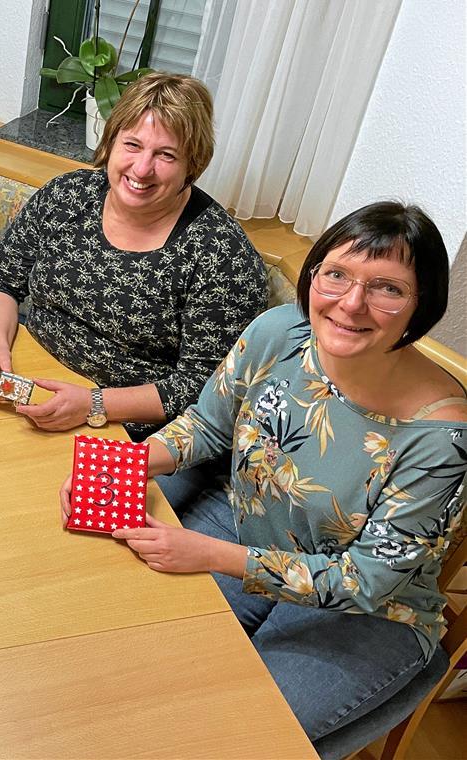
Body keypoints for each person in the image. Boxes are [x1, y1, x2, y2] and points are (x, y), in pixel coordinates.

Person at [60, 203, 467, 751]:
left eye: (387, 288)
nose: (351, 303)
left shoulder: (441, 435)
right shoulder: (280, 332)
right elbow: (207, 425)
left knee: (227, 735)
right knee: (116, 661)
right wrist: (122, 464)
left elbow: (365, 582)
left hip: (369, 612)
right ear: (313, 274)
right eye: (337, 274)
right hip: (247, 526)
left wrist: (205, 553)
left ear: (422, 305)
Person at [0, 73, 268, 440]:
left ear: (193, 164)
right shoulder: (68, 196)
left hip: (130, 429)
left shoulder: (221, 255)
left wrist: (94, 404)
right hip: (31, 374)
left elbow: (205, 387)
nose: (142, 169)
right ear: (110, 142)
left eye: (166, 155)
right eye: (132, 145)